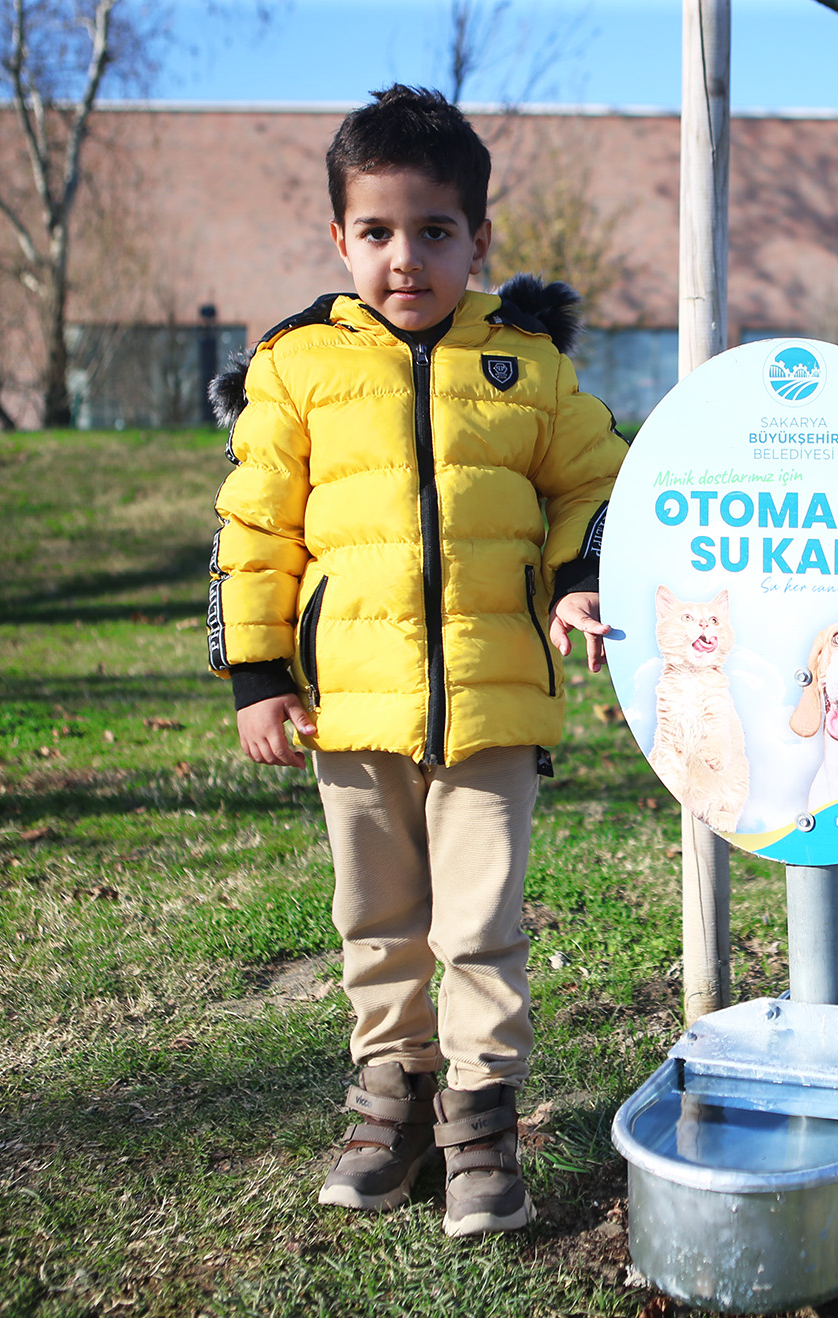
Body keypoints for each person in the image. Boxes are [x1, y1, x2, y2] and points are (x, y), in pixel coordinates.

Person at [205, 83, 624, 1237]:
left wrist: (577, 577)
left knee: (481, 921)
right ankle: (392, 1097)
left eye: (433, 232)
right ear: (339, 239)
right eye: (378, 233)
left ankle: (483, 1121)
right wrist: (256, 675)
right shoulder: (296, 366)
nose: (406, 259)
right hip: (347, 710)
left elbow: (593, 481)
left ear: (477, 239)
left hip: (494, 702)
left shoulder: (524, 362)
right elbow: (253, 524)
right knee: (377, 917)